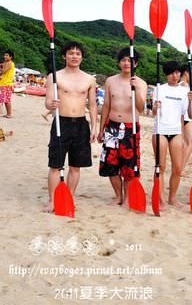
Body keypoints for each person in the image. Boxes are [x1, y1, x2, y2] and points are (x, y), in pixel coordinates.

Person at [45, 41, 97, 213]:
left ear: (82, 57)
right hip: (61, 123)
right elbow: (47, 101)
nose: (74, 56)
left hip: (81, 125)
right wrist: (51, 104)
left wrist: (94, 127)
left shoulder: (89, 79)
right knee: (55, 165)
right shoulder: (55, 76)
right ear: (64, 56)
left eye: (78, 53)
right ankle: (52, 201)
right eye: (71, 53)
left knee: (76, 166)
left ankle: (69, 197)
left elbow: (93, 106)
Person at [97, 47, 147, 205]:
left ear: (136, 64)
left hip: (130, 127)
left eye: (130, 61)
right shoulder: (111, 81)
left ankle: (126, 198)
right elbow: (106, 105)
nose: (126, 63)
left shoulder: (141, 83)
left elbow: (140, 108)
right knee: (111, 164)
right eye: (123, 60)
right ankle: (118, 196)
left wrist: (136, 89)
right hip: (112, 126)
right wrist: (101, 129)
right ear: (119, 63)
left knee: (129, 167)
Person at [152, 61, 190, 210]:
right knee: (160, 167)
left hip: (176, 132)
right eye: (171, 73)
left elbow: (184, 115)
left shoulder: (184, 91)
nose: (174, 76)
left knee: (178, 168)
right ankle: (160, 199)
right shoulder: (159, 89)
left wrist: (191, 100)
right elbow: (154, 112)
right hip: (160, 130)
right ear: (166, 74)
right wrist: (155, 107)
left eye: (177, 72)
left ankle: (172, 198)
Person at [0, 50, 15, 118]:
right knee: (5, 100)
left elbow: (4, 71)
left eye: (6, 55)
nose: (4, 56)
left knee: (7, 100)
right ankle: (8, 113)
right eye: (4, 55)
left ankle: (10, 114)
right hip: (4, 83)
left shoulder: (10, 63)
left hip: (7, 84)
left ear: (10, 57)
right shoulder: (5, 63)